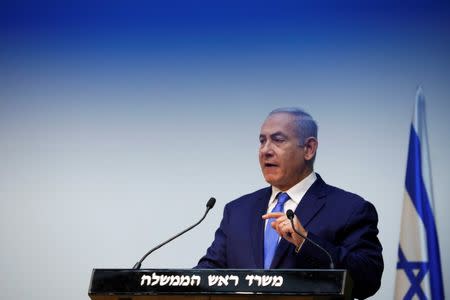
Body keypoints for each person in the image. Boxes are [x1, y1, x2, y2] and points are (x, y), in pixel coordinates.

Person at [195, 108, 383, 299]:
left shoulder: (350, 209)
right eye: (262, 141)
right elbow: (207, 273)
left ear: (309, 148)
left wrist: (305, 241)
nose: (265, 150)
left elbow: (368, 280)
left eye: (278, 140)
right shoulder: (237, 211)